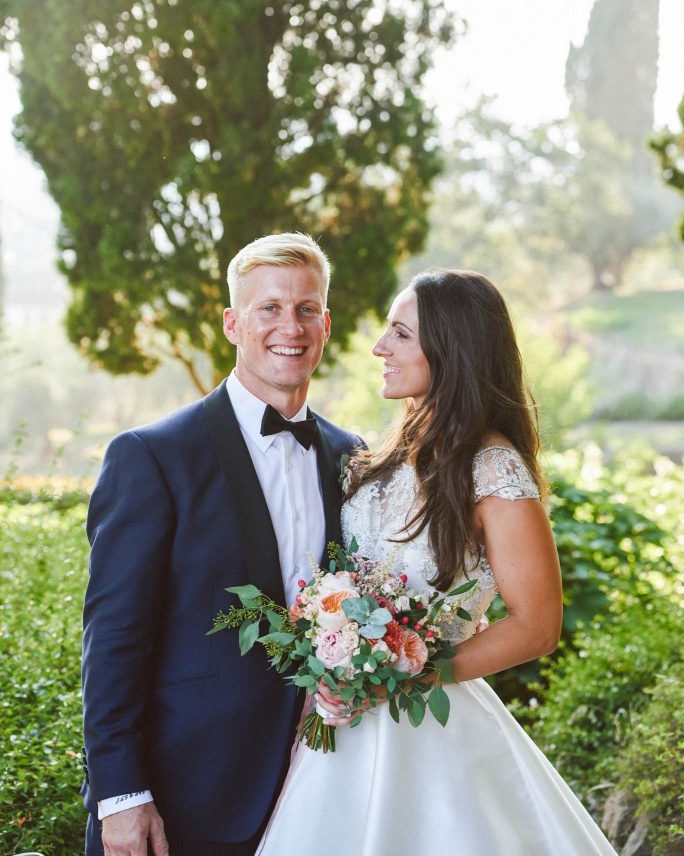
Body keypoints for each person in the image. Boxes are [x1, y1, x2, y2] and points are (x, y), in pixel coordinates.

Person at [256, 269, 619, 856]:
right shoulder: (384, 453)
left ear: (450, 349)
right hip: (343, 732)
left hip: (433, 729)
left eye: (399, 334)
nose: (379, 348)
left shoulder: (493, 470)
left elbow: (537, 624)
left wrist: (411, 673)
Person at [81, 232, 363, 856]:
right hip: (185, 795)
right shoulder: (153, 457)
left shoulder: (354, 459)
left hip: (325, 786)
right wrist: (121, 794)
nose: (289, 325)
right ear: (234, 323)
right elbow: (114, 638)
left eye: (306, 308)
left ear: (325, 324)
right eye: (269, 307)